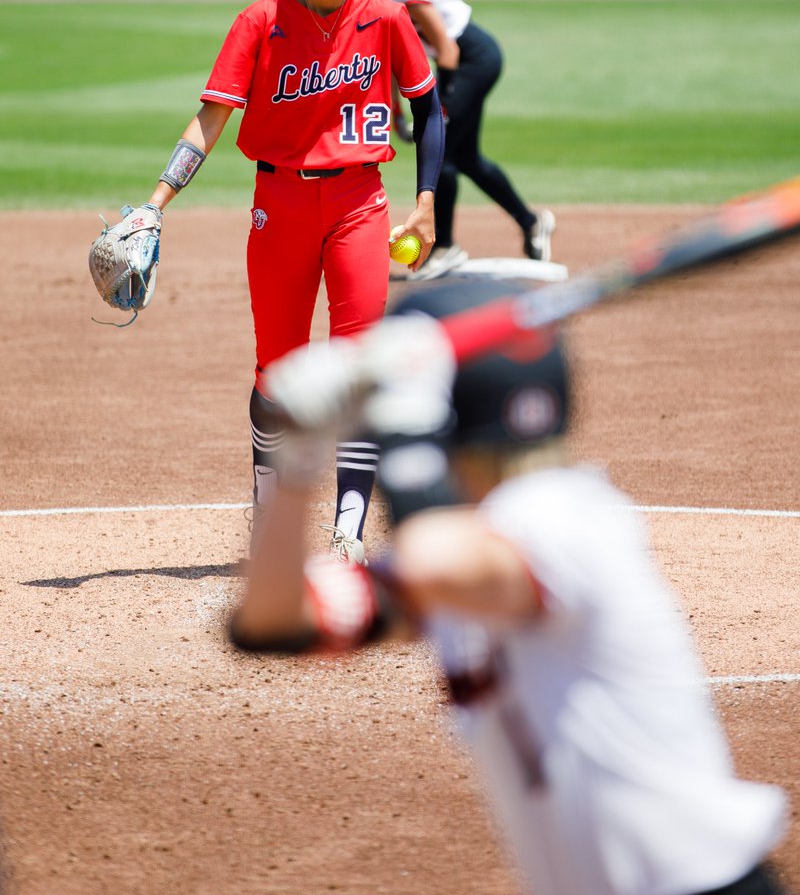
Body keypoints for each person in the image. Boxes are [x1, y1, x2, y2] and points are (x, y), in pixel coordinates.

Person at [230, 276, 791, 895]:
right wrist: (297, 465)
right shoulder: (472, 554)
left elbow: (430, 560)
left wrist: (403, 427)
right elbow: (270, 623)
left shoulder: (564, 516)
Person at [117, 0, 444, 564]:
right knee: (277, 373)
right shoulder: (259, 21)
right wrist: (156, 201)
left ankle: (348, 528)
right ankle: (273, 522)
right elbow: (210, 119)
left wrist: (428, 200)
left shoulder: (385, 18)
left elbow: (430, 110)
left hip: (360, 203)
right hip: (279, 206)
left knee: (358, 368)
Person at [355, 0, 555, 280]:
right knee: (467, 159)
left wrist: (439, 108)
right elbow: (382, 56)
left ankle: (445, 246)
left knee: (442, 153)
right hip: (456, 63)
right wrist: (397, 113)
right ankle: (531, 222)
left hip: (474, 59)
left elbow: (447, 50)